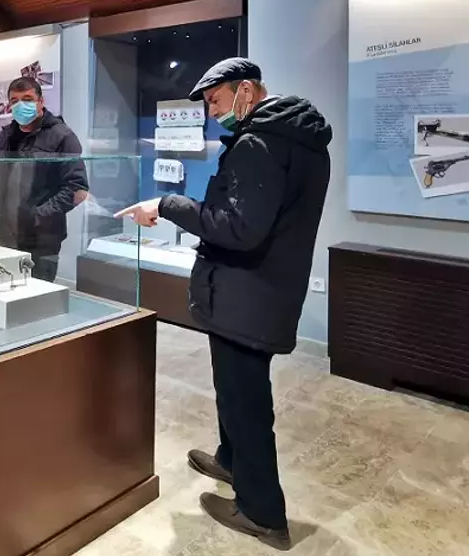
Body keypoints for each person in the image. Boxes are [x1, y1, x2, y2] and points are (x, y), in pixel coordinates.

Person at [116, 58, 331, 551]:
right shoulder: (297, 141)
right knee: (236, 390)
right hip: (260, 291)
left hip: (246, 294)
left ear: (246, 90)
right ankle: (231, 461)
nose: (212, 113)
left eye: (215, 100)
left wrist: (166, 205)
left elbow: (238, 228)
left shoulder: (259, 144)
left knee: (246, 400)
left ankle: (262, 512)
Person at [0, 76, 88, 282]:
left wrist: (37, 216)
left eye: (28, 99)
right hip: (6, 234)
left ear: (41, 102)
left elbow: (76, 189)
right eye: (14, 101)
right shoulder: (7, 136)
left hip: (42, 239)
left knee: (38, 298)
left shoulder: (62, 136)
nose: (21, 105)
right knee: (6, 289)